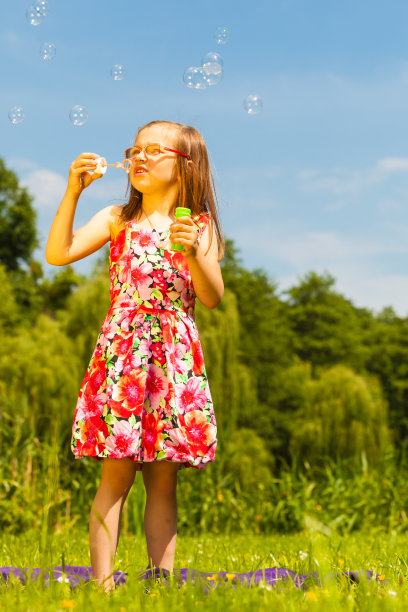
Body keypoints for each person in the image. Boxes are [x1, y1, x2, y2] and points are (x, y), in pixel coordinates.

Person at [45, 119, 225, 593]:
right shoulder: (116, 219)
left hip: (173, 363)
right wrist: (73, 193)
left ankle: (160, 580)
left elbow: (211, 296)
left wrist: (194, 255)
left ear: (187, 166)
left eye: (153, 150)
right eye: (135, 149)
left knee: (163, 480)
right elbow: (58, 253)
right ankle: (102, 584)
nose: (138, 157)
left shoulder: (199, 227)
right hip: (124, 359)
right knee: (116, 474)